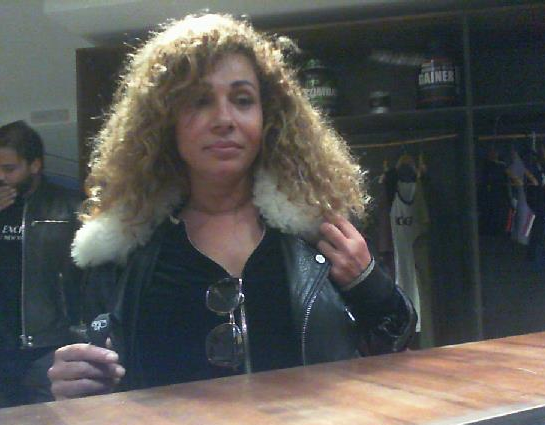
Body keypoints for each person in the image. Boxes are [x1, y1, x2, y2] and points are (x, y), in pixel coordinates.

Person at [48, 13, 416, 399]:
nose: (224, 119)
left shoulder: (319, 232)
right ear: (165, 120)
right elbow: (96, 375)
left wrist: (368, 282)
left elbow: (396, 338)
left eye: (242, 100)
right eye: (199, 101)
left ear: (267, 117)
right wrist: (75, 380)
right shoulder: (124, 250)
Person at [0, 120, 82, 408]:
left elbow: (90, 274)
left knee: (53, 423)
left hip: (48, 342)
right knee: (4, 424)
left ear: (35, 165)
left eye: (9, 169)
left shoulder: (68, 205)